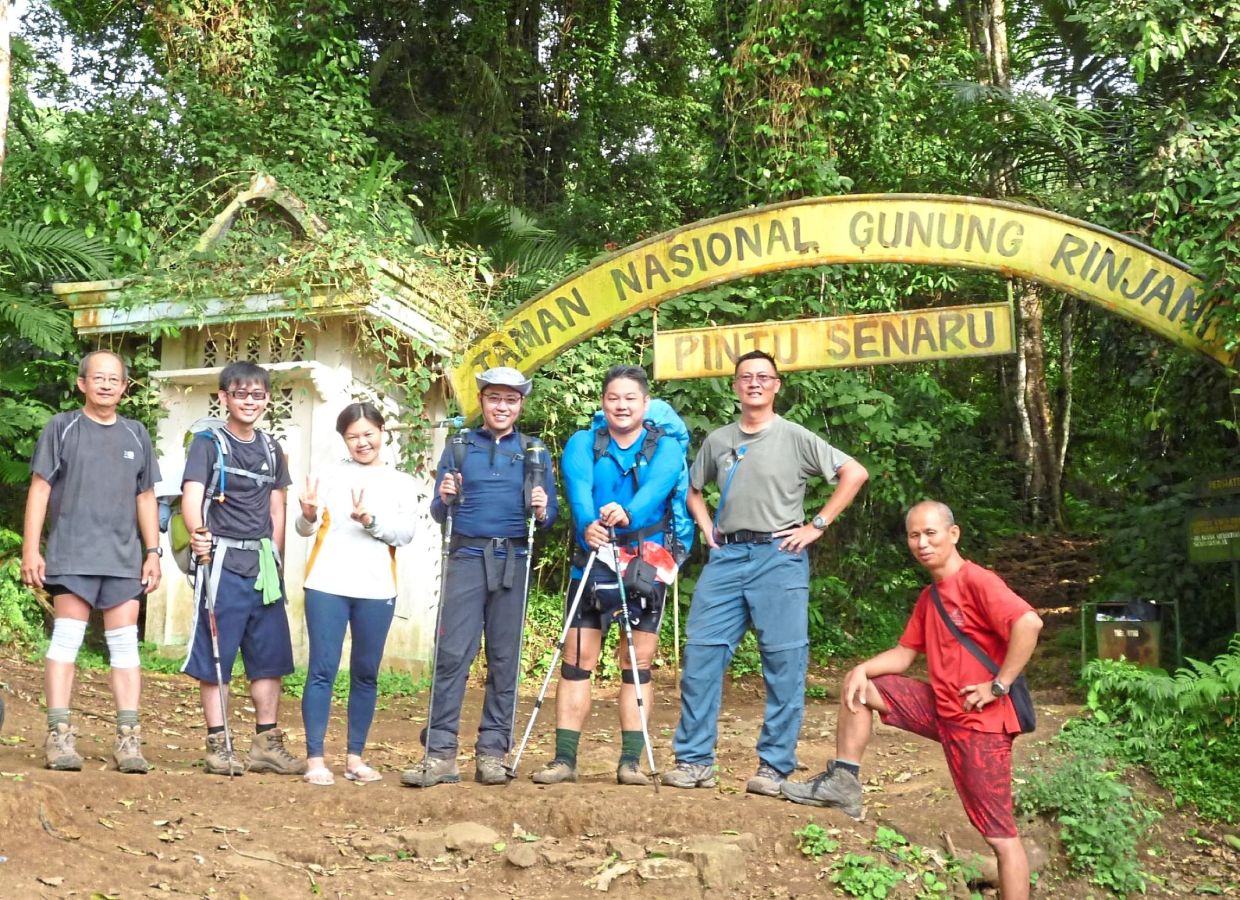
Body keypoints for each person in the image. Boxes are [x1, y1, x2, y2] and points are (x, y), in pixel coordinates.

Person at [782, 500, 1043, 900]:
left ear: (953, 535)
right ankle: (843, 783)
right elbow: (905, 655)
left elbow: (1029, 621)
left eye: (930, 533)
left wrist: (998, 685)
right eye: (914, 535)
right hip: (941, 709)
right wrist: (862, 668)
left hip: (980, 725)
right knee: (861, 687)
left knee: (1000, 836)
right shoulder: (931, 596)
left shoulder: (977, 581)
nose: (922, 543)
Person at [666, 349, 869, 795]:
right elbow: (694, 491)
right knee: (701, 657)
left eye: (763, 376)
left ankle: (774, 767)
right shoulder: (719, 441)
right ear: (735, 386)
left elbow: (854, 473)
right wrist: (706, 528)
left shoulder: (796, 437)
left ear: (777, 385)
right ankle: (695, 761)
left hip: (780, 556)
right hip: (727, 558)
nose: (754, 383)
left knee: (783, 663)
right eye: (745, 377)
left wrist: (817, 526)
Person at [402, 366, 556, 788]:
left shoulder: (534, 452)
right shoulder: (459, 446)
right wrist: (446, 497)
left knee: (505, 660)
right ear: (482, 402)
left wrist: (542, 508)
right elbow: (438, 512)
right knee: (452, 655)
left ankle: (492, 753)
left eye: (510, 399)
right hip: (466, 555)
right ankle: (439, 755)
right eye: (494, 398)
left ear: (521, 405)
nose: (502, 406)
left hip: (513, 558)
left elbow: (549, 519)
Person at [531, 365, 682, 786]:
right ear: (603, 401)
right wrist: (586, 524)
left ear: (645, 403)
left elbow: (659, 487)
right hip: (592, 562)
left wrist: (627, 512)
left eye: (631, 397)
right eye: (614, 397)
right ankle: (564, 760)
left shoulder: (666, 447)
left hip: (646, 565)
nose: (621, 405)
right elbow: (578, 488)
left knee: (638, 662)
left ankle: (630, 761)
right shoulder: (584, 443)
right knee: (578, 659)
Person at [21, 350, 161, 773]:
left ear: (124, 388)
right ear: (81, 383)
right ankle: (59, 736)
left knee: (125, 648)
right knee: (66, 641)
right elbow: (40, 489)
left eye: (114, 379)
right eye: (97, 377)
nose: (105, 384)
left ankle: (128, 739)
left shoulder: (136, 434)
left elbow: (146, 497)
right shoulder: (62, 428)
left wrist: (153, 553)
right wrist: (31, 549)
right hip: (73, 555)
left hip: (123, 559)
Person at [181, 361, 304, 776]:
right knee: (218, 653)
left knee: (269, 656)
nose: (249, 401)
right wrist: (198, 533)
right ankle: (219, 743)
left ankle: (265, 743)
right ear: (224, 397)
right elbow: (192, 494)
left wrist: (279, 558)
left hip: (263, 564)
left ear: (267, 399)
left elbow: (276, 506)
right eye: (240, 394)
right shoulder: (208, 443)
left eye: (257, 395)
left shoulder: (272, 448)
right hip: (221, 561)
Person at [296, 403, 419, 786]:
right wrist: (308, 515)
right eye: (353, 437)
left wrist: (370, 521)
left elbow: (405, 534)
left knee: (366, 674)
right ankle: (315, 759)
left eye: (368, 434)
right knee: (322, 670)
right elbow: (303, 529)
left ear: (383, 432)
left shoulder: (402, 482)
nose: (362, 443)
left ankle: (355, 757)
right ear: (343, 440)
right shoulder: (328, 475)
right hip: (327, 584)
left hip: (377, 587)